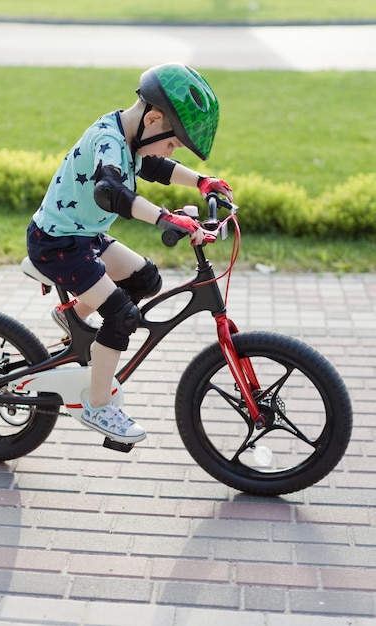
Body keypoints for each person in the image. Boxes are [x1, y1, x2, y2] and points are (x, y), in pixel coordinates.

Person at [27, 63, 233, 446]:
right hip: (56, 245)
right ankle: (98, 405)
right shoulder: (108, 141)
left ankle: (71, 315)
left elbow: (154, 166)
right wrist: (166, 218)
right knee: (121, 315)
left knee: (145, 280)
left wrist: (202, 181)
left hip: (84, 238)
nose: (171, 150)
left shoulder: (131, 138)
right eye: (173, 141)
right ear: (154, 119)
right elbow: (112, 193)